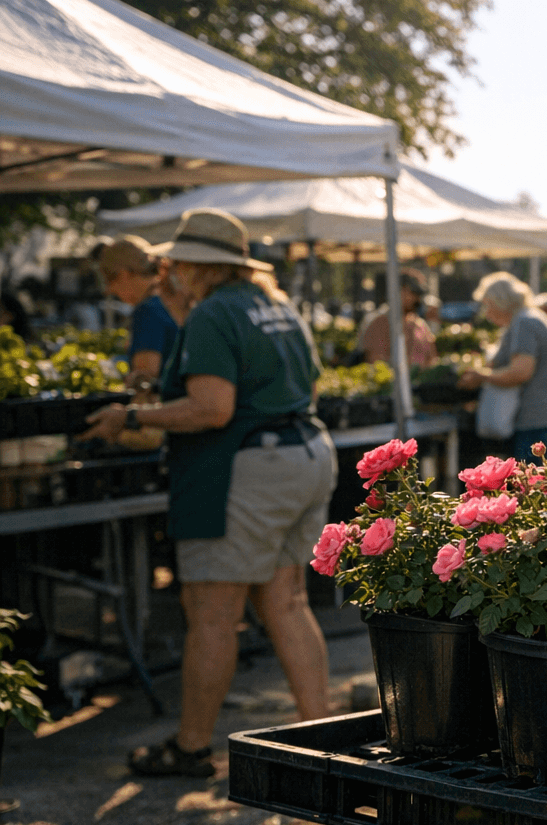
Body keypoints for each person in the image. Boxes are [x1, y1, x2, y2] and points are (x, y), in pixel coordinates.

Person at [83, 209, 337, 777]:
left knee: (213, 614)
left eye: (177, 260)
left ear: (197, 264)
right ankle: (321, 739)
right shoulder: (275, 305)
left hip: (247, 465)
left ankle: (192, 746)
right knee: (287, 602)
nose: (170, 269)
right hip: (305, 453)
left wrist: (131, 416)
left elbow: (213, 408)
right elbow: (306, 385)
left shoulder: (214, 313)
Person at [458, 272, 547, 461]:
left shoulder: (524, 322)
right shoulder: (531, 317)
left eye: (488, 304)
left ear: (501, 302)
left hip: (537, 418)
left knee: (535, 476)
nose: (486, 312)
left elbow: (521, 372)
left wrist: (482, 376)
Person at [95, 235, 181, 397]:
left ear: (124, 275)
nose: (109, 291)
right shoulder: (169, 300)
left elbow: (145, 378)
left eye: (109, 282)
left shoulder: (147, 311)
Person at [357, 268, 438, 368]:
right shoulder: (379, 324)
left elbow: (432, 358)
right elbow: (376, 363)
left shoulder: (421, 325)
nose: (417, 299)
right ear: (399, 291)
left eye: (419, 294)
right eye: (414, 293)